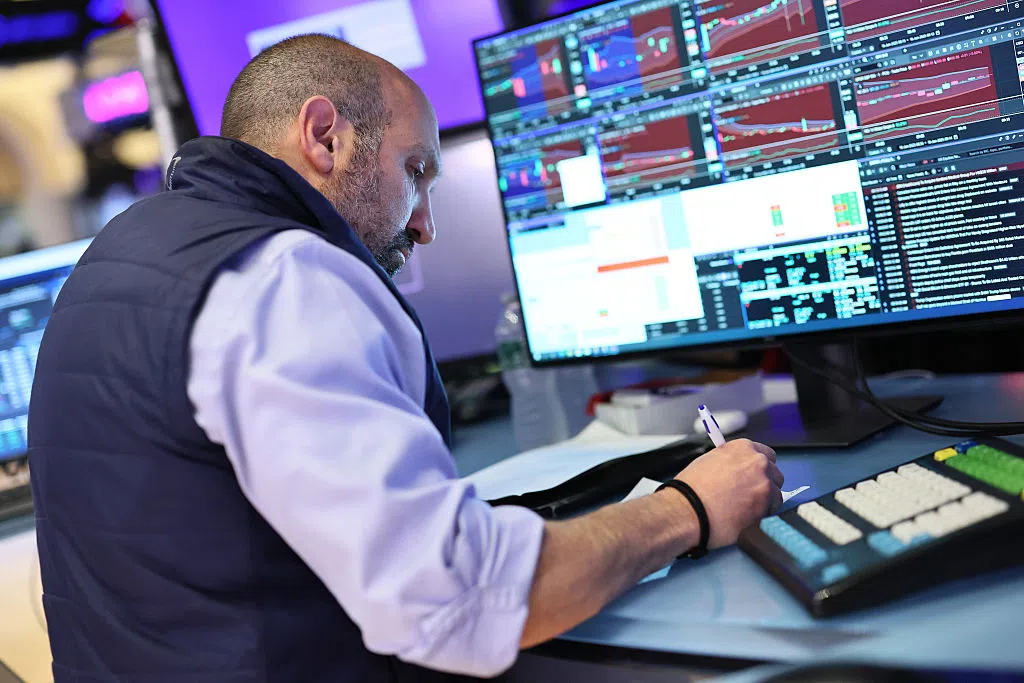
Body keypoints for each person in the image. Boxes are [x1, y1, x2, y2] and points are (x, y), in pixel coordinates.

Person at [28, 35, 784, 682]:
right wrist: (687, 509)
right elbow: (461, 601)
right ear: (325, 137)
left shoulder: (126, 251)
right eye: (416, 171)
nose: (425, 225)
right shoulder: (284, 277)